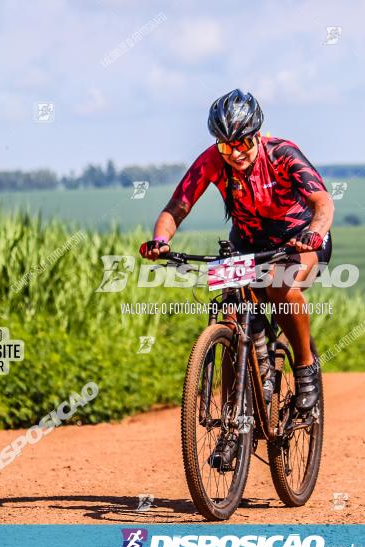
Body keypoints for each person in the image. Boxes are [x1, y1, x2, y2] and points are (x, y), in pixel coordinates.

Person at [139, 89, 334, 465]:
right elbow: (176, 207)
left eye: (243, 143)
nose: (237, 153)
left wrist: (315, 231)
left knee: (280, 285)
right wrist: (161, 240)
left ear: (257, 136)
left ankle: (305, 368)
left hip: (297, 240)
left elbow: (322, 202)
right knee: (232, 319)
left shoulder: (283, 154)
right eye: (227, 148)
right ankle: (235, 425)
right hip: (246, 246)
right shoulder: (212, 161)